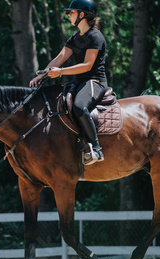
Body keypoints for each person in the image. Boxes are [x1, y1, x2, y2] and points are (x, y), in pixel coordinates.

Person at [30, 0, 106, 165]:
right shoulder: (75, 37)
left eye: (72, 12)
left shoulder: (95, 36)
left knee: (79, 107)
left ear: (82, 15)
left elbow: (87, 66)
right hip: (79, 81)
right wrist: (42, 75)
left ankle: (96, 148)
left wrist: (61, 72)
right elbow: (59, 58)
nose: (69, 14)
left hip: (95, 81)